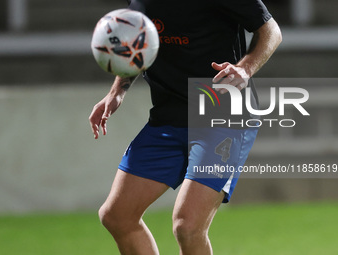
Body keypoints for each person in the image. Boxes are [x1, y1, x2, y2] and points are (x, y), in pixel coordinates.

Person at [89, 0, 282, 254]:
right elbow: (137, 41)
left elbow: (271, 31)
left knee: (188, 226)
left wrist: (245, 69)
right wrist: (117, 92)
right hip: (168, 115)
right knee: (117, 216)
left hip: (222, 113)